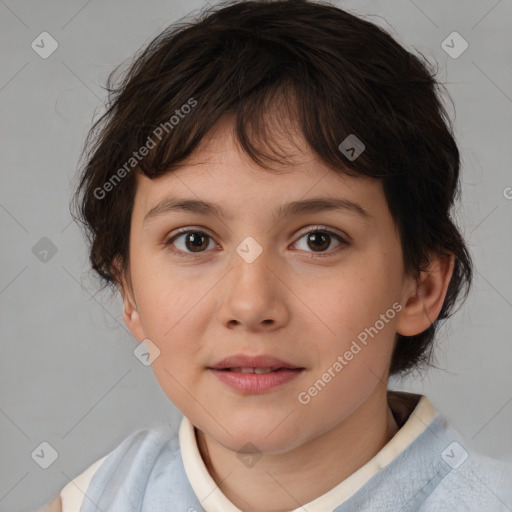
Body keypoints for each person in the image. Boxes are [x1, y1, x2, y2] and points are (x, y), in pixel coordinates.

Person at [38, 0, 512, 510]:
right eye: (194, 240)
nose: (250, 305)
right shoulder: (94, 500)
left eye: (318, 240)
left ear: (420, 286)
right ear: (128, 290)